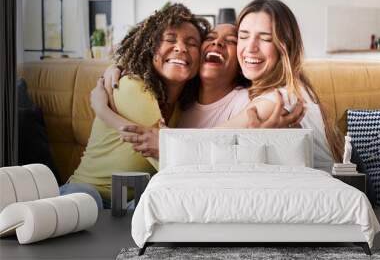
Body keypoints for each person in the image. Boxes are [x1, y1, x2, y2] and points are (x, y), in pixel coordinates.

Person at [108, 0, 344, 172]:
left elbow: (209, 144)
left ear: (286, 46)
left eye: (265, 38)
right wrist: (116, 68)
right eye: (243, 36)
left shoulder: (278, 101)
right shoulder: (184, 98)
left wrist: (165, 144)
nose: (250, 47)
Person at [60, 3, 210, 209]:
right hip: (85, 193)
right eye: (170, 39)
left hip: (128, 204)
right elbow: (167, 161)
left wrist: (105, 111)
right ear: (150, 47)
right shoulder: (132, 87)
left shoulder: (184, 105)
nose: (181, 47)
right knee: (87, 202)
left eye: (192, 43)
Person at [94, 23, 304, 159]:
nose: (217, 42)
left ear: (240, 62)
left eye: (230, 41)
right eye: (210, 37)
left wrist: (103, 110)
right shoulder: (178, 101)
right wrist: (117, 67)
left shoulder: (247, 102)